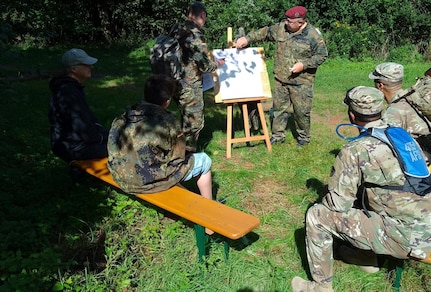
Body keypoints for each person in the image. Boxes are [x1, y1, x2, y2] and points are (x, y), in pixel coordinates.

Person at [291, 86, 431, 292]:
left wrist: (327, 195)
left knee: (317, 215)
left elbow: (339, 204)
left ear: (351, 114)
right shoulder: (402, 135)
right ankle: (366, 257)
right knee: (372, 196)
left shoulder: (355, 149)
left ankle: (320, 287)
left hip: (411, 238)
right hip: (426, 219)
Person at [107, 74, 213, 204]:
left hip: (120, 176)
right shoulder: (168, 122)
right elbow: (178, 159)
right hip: (145, 182)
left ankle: (188, 197)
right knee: (204, 161)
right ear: (167, 101)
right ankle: (209, 205)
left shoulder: (124, 117)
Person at [236, 6, 328, 146]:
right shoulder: (280, 28)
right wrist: (247, 39)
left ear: (301, 22)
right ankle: (278, 136)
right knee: (279, 109)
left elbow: (322, 55)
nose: (286, 23)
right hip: (281, 79)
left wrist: (303, 65)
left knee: (301, 112)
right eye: (286, 20)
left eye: (290, 21)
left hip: (302, 82)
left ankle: (304, 137)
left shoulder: (313, 35)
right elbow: (265, 32)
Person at [170, 1, 225, 152]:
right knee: (194, 123)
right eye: (205, 18)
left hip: (174, 80)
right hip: (189, 85)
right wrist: (217, 64)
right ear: (201, 15)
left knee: (184, 116)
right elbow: (205, 65)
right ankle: (187, 156)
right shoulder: (195, 34)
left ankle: (179, 147)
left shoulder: (177, 28)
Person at [49, 48, 109, 162]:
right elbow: (83, 130)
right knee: (124, 148)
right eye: (86, 65)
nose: (91, 67)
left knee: (116, 138)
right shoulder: (69, 92)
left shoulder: (68, 87)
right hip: (73, 147)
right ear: (73, 69)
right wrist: (103, 138)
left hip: (69, 143)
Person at [369, 62, 431, 156]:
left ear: (380, 86)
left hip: (419, 164)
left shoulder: (393, 112)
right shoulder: (415, 99)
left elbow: (386, 149)